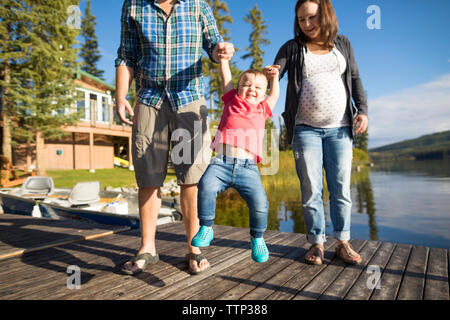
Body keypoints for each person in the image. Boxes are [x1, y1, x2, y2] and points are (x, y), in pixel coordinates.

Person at [115, 0, 234, 275]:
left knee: (192, 177)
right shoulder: (133, 6)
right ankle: (148, 247)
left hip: (189, 99)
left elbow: (213, 44)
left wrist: (222, 50)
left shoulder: (197, 6)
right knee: (148, 176)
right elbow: (126, 56)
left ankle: (193, 248)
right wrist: (121, 96)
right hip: (149, 98)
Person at [273, 0, 369, 265]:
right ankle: (316, 243)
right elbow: (275, 74)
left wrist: (362, 110)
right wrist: (268, 75)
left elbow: (356, 79)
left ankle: (342, 243)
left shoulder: (343, 43)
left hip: (340, 129)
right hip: (305, 131)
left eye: (312, 17)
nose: (307, 24)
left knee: (340, 188)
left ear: (325, 14)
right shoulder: (292, 48)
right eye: (302, 19)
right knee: (311, 188)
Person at [190, 53, 280, 263]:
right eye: (247, 84)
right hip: (221, 163)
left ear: (263, 93)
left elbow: (274, 96)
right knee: (205, 186)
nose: (252, 89)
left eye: (258, 87)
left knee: (260, 203)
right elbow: (226, 77)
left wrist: (274, 78)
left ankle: (257, 238)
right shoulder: (232, 99)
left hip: (248, 168)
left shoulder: (263, 108)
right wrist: (223, 61)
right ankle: (206, 227)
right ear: (238, 89)